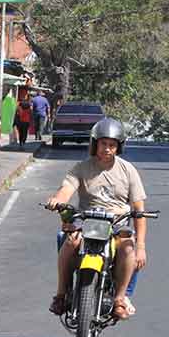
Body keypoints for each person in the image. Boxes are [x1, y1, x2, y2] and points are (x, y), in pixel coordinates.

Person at [45, 117, 149, 321]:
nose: (107, 149)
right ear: (95, 144)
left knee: (128, 247)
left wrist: (142, 247)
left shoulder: (128, 170)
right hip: (87, 221)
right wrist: (57, 200)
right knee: (69, 240)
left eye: (112, 145)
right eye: (103, 144)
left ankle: (120, 299)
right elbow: (66, 190)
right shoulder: (81, 168)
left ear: (119, 147)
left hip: (117, 224)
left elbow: (139, 210)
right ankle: (60, 295)